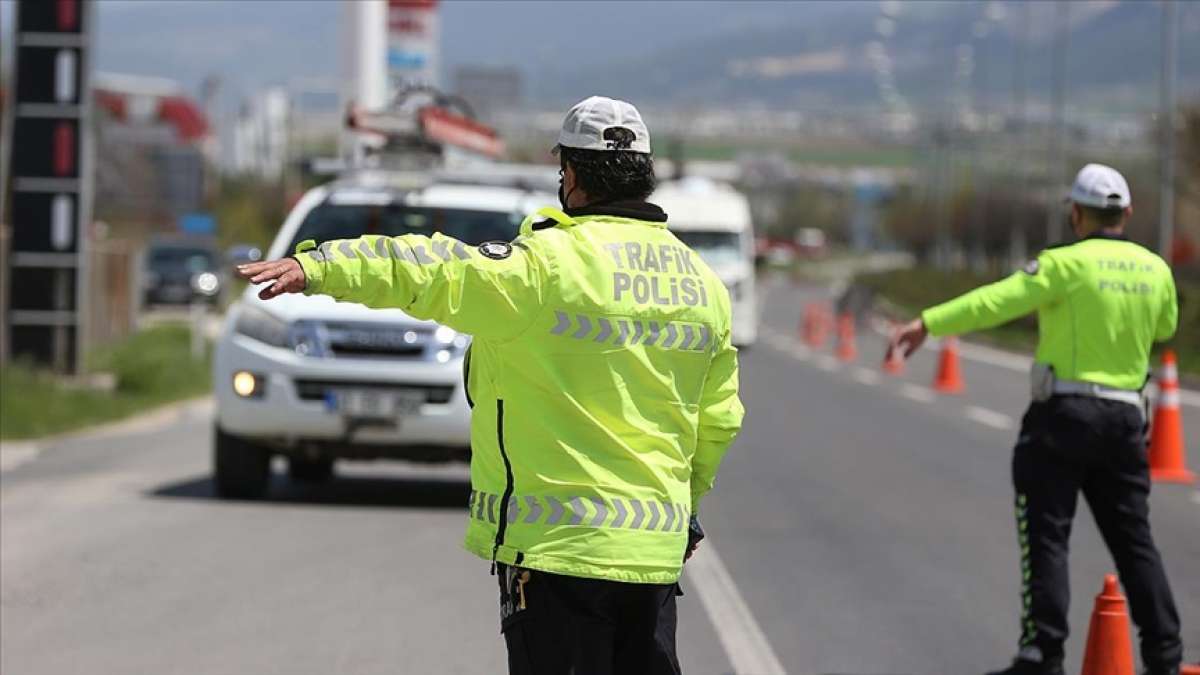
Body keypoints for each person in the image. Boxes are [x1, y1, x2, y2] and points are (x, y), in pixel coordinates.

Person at [237, 96, 744, 675]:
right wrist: (685, 508)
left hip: (557, 553)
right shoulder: (701, 283)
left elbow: (431, 269)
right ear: (645, 176)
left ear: (571, 174)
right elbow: (719, 418)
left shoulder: (544, 267)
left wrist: (322, 266)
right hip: (653, 555)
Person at [888, 163, 1182, 675]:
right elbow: (1166, 327)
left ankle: (1042, 654)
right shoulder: (1155, 269)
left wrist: (928, 323)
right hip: (1126, 421)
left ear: (1075, 213)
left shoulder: (1064, 265)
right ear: (1128, 213)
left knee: (1048, 536)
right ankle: (1165, 655)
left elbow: (996, 301)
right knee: (1135, 541)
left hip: (1064, 417)